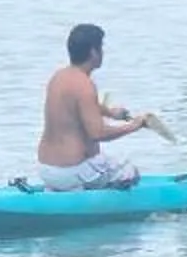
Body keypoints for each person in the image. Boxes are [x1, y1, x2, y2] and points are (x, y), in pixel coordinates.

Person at [34, 22, 158, 189]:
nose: (103, 53)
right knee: (130, 172)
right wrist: (134, 126)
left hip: (46, 169)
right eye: (101, 48)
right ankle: (100, 199)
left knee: (102, 162)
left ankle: (61, 191)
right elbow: (97, 133)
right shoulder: (85, 85)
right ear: (93, 52)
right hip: (73, 171)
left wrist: (111, 113)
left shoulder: (58, 77)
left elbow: (77, 105)